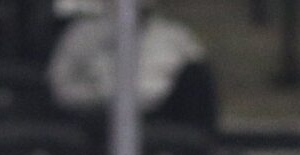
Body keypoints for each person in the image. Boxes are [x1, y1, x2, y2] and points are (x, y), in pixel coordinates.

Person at [47, 1, 219, 130]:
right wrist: (97, 98)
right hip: (101, 118)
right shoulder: (83, 34)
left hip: (161, 119)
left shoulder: (174, 36)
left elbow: (199, 84)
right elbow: (61, 87)